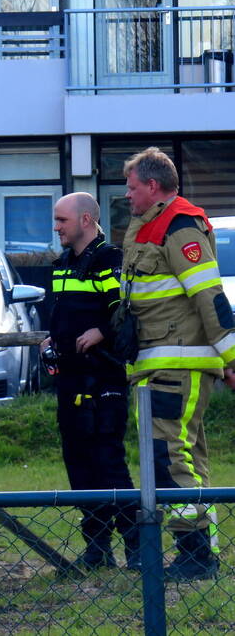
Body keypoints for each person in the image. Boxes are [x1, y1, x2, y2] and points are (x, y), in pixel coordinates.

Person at [121, 147, 235, 581]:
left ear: (152, 186)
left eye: (132, 188)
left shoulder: (180, 227)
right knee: (181, 456)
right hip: (160, 365)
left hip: (177, 365)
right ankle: (198, 551)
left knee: (169, 458)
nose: (127, 196)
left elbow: (211, 298)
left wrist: (232, 358)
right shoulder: (151, 225)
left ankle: (195, 554)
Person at [42, 192, 139, 571]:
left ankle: (136, 549)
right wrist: (50, 339)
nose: (56, 228)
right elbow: (61, 315)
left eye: (62, 220)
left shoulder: (109, 260)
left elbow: (125, 314)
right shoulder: (62, 264)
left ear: (85, 220)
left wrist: (101, 330)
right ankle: (98, 550)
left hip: (104, 380)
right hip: (69, 381)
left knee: (109, 464)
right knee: (79, 467)